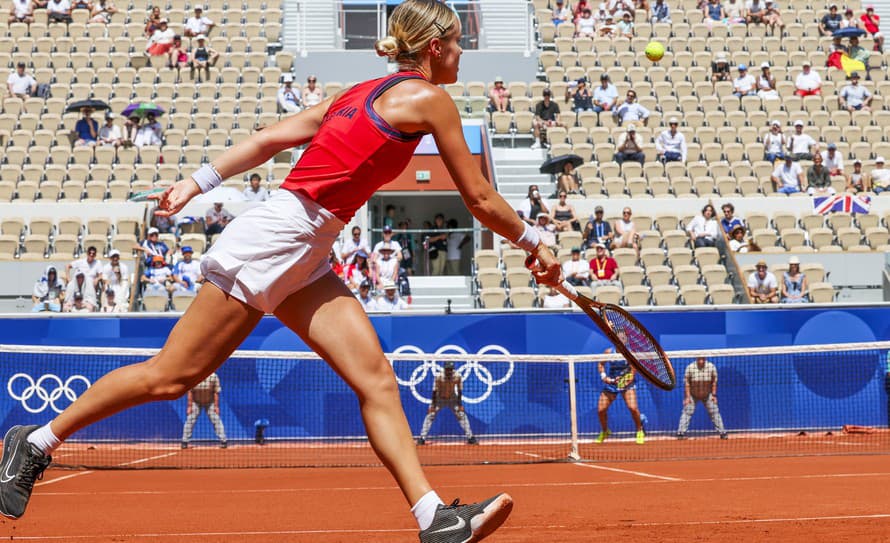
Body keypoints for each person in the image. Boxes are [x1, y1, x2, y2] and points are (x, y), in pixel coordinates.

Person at [0, 6, 560, 540]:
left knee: (376, 379)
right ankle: (37, 440)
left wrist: (195, 183)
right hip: (278, 238)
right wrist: (537, 242)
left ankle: (432, 516)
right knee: (171, 377)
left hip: (308, 248)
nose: (464, 52)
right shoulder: (429, 97)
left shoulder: (359, 93)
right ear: (434, 47)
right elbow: (480, 198)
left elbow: (270, 139)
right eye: (459, 42)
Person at [596, 337, 645, 445]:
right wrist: (605, 377)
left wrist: (625, 381)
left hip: (627, 384)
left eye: (623, 339)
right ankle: (605, 431)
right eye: (618, 339)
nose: (621, 341)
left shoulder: (630, 353)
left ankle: (639, 430)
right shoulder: (608, 352)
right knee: (601, 410)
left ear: (626, 341)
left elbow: (632, 372)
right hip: (612, 384)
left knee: (633, 408)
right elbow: (601, 364)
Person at [417, 361, 477, 445]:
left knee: (461, 415)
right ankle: (422, 438)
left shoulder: (457, 376)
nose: (449, 371)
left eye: (450, 369)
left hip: (452, 398)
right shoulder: (439, 376)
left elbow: (459, 390)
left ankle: (470, 437)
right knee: (430, 415)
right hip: (439, 398)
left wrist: (460, 405)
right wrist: (433, 406)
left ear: (453, 369)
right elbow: (434, 391)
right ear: (444, 369)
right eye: (447, 369)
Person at [676, 357, 727, 440]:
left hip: (707, 395)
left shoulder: (711, 367)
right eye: (699, 359)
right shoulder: (690, 367)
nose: (701, 361)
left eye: (702, 359)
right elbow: (687, 383)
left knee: (715, 412)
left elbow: (714, 381)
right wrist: (687, 397)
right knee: (687, 412)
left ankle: (722, 432)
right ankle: (681, 432)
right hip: (693, 395)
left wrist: (714, 395)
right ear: (696, 359)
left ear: (705, 359)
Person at [180, 372, 226, 449]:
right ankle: (184, 441)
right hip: (196, 402)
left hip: (210, 402)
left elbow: (216, 392)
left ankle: (223, 441)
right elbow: (190, 391)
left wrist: (216, 406)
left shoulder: (213, 376)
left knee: (216, 420)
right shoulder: (194, 376)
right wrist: (189, 406)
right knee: (190, 420)